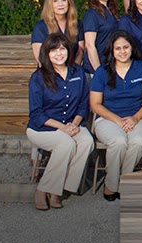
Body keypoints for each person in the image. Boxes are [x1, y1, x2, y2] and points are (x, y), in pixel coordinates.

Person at [27, 33, 94, 210]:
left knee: (87, 141)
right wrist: (63, 128)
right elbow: (36, 114)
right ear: (47, 53)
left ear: (68, 51)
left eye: (62, 49)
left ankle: (61, 187)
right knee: (66, 144)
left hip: (71, 123)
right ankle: (43, 190)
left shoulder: (78, 72)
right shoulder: (38, 77)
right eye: (54, 50)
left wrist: (75, 123)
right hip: (43, 128)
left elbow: (83, 104)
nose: (59, 53)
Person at [89, 31, 142, 200]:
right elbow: (95, 104)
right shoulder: (102, 71)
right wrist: (117, 120)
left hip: (138, 117)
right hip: (108, 118)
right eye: (118, 48)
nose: (122, 51)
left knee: (138, 142)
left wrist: (135, 118)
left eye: (126, 47)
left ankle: (124, 180)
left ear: (132, 48)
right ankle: (111, 185)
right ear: (111, 50)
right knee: (118, 142)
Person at [31, 0, 82, 66]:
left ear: (69, 2)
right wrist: (54, 72)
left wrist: (73, 71)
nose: (60, 4)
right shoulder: (41, 26)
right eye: (55, 1)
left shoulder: (77, 24)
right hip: (48, 71)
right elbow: (40, 56)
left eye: (64, 0)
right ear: (50, 4)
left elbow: (80, 51)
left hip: (72, 69)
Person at [82, 0, 119, 74]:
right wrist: (98, 72)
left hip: (111, 67)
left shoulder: (112, 11)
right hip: (95, 70)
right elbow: (90, 45)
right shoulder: (91, 14)